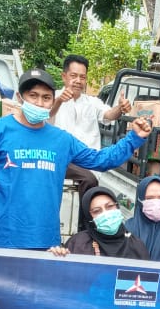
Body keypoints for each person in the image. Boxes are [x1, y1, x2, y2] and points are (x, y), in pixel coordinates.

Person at [0, 69, 151, 250]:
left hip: (47, 243)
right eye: (33, 95)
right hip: (3, 241)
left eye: (46, 97)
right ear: (19, 97)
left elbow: (101, 160)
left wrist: (134, 138)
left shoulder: (61, 139)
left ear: (53, 101)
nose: (39, 103)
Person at [48, 54, 133, 228]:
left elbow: (109, 115)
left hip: (89, 161)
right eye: (73, 75)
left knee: (93, 180)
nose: (78, 81)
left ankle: (87, 226)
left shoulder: (92, 102)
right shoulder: (52, 97)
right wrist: (58, 101)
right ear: (64, 76)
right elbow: (45, 116)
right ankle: (85, 227)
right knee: (89, 179)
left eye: (82, 77)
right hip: (61, 159)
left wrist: (120, 108)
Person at [54, 186, 151, 260]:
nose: (105, 213)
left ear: (117, 207)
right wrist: (57, 257)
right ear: (89, 218)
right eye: (97, 211)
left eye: (110, 206)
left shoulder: (136, 246)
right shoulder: (78, 243)